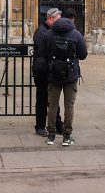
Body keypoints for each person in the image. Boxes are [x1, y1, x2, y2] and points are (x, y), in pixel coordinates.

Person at [44, 13, 88, 146]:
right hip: (71, 74)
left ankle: (51, 135)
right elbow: (83, 55)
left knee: (52, 105)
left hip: (54, 74)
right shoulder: (76, 34)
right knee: (69, 105)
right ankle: (67, 136)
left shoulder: (49, 34)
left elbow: (44, 53)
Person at [32, 8, 63, 136]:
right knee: (42, 99)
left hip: (50, 70)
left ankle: (58, 124)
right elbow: (46, 50)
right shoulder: (41, 31)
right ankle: (40, 126)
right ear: (50, 19)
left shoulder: (51, 31)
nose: (60, 23)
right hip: (42, 71)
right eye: (58, 20)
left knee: (53, 99)